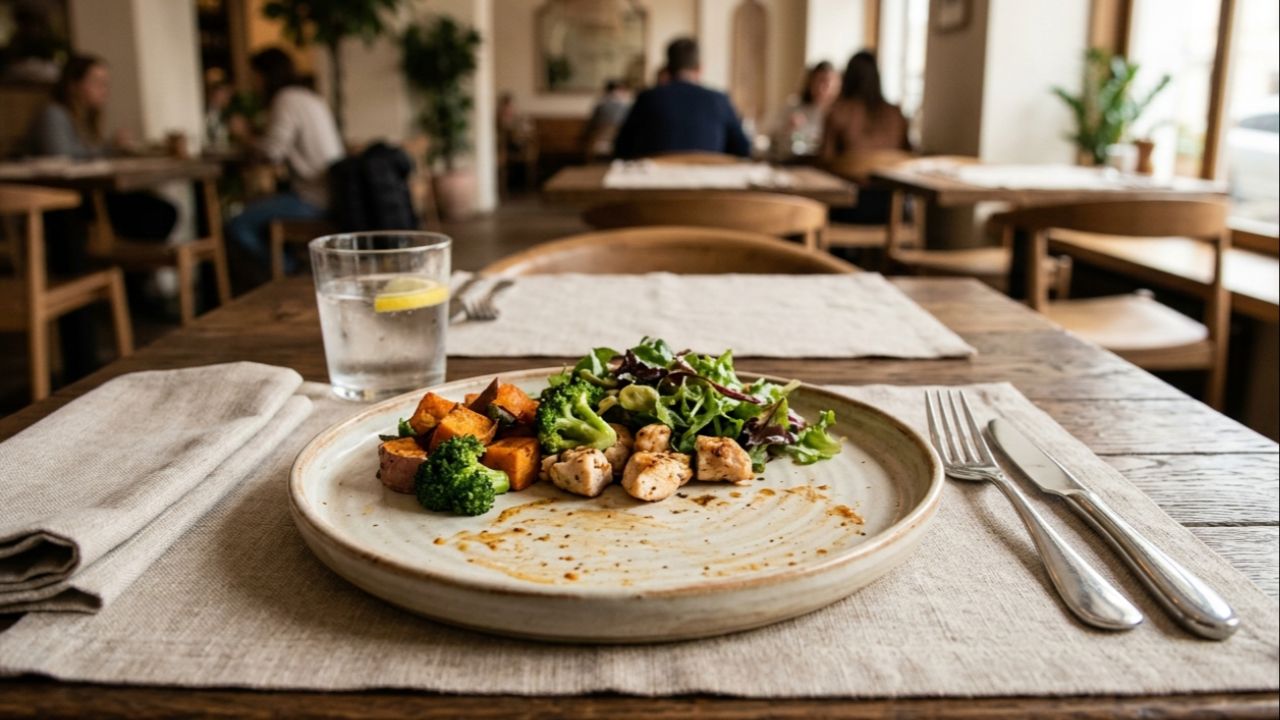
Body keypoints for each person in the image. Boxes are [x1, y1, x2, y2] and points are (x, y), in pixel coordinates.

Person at [26, 54, 178, 241]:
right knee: (157, 213)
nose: (104, 90)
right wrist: (110, 149)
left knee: (159, 210)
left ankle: (131, 265)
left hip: (84, 196)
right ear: (73, 85)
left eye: (106, 83)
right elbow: (62, 158)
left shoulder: (85, 120)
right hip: (58, 199)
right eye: (97, 82)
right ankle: (127, 264)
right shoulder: (53, 114)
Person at [226, 48, 343, 272]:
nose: (253, 84)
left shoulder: (285, 99)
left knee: (238, 225)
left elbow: (272, 151)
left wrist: (243, 136)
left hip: (313, 198)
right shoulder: (310, 97)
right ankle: (291, 265)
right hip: (333, 193)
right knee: (261, 209)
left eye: (254, 77)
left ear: (265, 75)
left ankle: (287, 272)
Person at [613, 38, 751, 159]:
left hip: (656, 186)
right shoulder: (720, 100)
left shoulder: (646, 98)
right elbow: (743, 149)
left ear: (667, 69)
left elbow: (622, 148)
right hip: (709, 185)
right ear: (699, 69)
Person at [820, 51, 911, 224]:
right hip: (893, 209)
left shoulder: (838, 112)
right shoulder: (896, 114)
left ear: (847, 78)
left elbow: (826, 161)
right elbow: (908, 158)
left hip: (849, 206)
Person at [770, 61, 839, 160]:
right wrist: (787, 128)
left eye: (826, 82)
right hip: (794, 161)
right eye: (818, 81)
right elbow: (771, 135)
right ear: (810, 82)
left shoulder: (838, 113)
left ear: (836, 85)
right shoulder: (794, 105)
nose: (821, 88)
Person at [581, 79, 631, 158]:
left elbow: (591, 125)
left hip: (598, 143)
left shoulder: (601, 105)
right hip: (620, 144)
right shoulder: (626, 107)